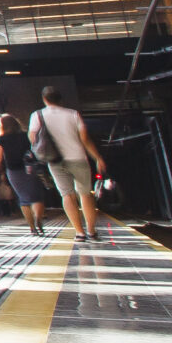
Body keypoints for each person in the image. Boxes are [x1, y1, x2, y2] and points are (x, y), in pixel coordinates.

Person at [28, 86, 106, 241]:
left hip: (55, 160)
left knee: (67, 195)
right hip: (78, 158)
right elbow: (84, 139)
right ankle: (91, 230)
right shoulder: (73, 114)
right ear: (60, 99)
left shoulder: (37, 115)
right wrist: (98, 157)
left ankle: (79, 233)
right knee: (85, 194)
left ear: (44, 99)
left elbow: (33, 138)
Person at [0, 113, 46, 236]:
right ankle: (38, 218)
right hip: (30, 168)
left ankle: (32, 227)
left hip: (13, 170)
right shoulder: (25, 135)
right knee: (37, 196)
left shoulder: (1, 138)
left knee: (23, 198)